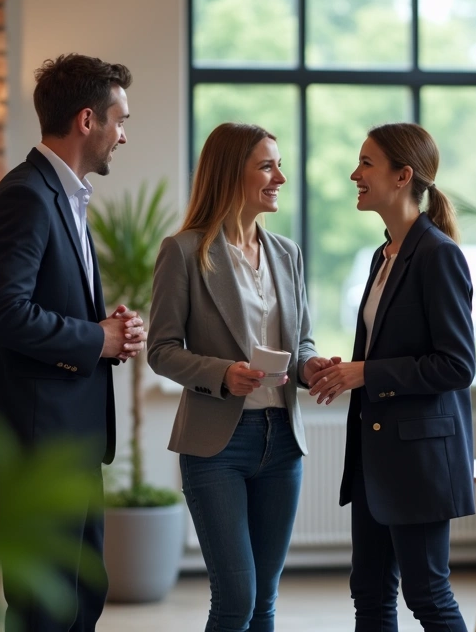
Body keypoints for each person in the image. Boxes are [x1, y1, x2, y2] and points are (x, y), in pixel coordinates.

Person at [0, 54, 142, 631]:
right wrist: (95, 336)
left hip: (71, 439)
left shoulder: (66, 195)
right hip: (38, 443)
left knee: (82, 596)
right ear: (87, 120)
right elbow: (0, 313)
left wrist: (108, 331)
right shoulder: (27, 195)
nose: (124, 135)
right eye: (120, 120)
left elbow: (49, 303)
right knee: (46, 609)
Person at [147, 122, 338, 632]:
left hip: (282, 443)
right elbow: (161, 351)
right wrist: (222, 374)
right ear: (233, 173)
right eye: (267, 165)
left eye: (278, 163)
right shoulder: (184, 251)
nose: (280, 176)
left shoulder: (287, 254)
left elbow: (300, 344)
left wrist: (308, 366)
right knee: (236, 598)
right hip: (216, 448)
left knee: (264, 601)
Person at [307, 122, 475, 632]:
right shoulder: (385, 256)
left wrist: (367, 373)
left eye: (367, 164)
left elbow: (457, 365)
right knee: (372, 597)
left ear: (403, 177)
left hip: (419, 462)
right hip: (375, 459)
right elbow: (386, 351)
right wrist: (351, 371)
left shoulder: (438, 255)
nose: (355, 173)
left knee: (426, 594)